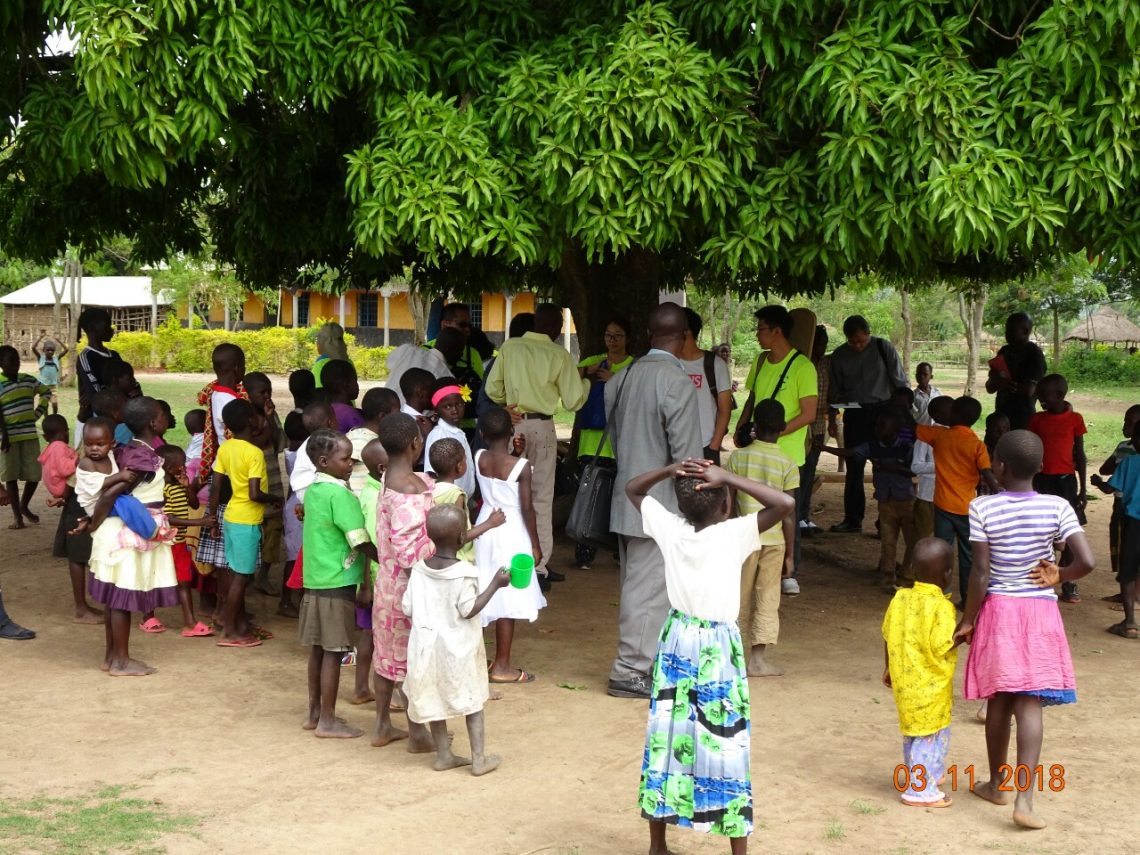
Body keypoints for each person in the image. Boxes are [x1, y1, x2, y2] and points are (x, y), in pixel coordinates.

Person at [628, 457, 794, 855]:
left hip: (677, 640)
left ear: (680, 504)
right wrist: (728, 477)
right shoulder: (733, 534)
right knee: (726, 740)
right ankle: (738, 848)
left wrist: (669, 470)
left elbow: (633, 489)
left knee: (667, 737)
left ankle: (657, 845)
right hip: (717, 648)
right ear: (725, 504)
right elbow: (785, 503)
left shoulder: (670, 528)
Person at [954, 430, 1094, 830]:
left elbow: (981, 572)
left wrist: (968, 619)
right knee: (1028, 702)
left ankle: (997, 784)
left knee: (1000, 698)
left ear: (998, 466)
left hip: (1000, 610)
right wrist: (1059, 575)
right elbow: (1087, 562)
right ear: (1041, 467)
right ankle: (1025, 801)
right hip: (1040, 613)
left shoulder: (982, 506)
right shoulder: (1058, 506)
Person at [606, 302, 703, 699]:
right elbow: (687, 458)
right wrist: (698, 510)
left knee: (637, 587)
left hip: (626, 495)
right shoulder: (675, 382)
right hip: (662, 505)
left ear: (649, 335)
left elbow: (617, 440)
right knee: (647, 592)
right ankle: (629, 670)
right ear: (685, 338)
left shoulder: (621, 377)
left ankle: (640, 663)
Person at [484, 303, 588, 582]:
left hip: (513, 424)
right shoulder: (559, 354)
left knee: (507, 493)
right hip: (542, 428)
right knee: (541, 497)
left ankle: (505, 559)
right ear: (555, 327)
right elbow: (574, 401)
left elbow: (493, 389)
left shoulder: (510, 347)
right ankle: (538, 567)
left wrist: (507, 404)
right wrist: (586, 383)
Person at [403, 504, 510, 775]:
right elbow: (469, 609)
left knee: (434, 699)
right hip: (458, 651)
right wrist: (495, 585)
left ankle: (444, 755)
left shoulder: (418, 570)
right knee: (472, 702)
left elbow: (408, 607)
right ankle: (479, 760)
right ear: (463, 537)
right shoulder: (465, 573)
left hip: (426, 650)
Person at [87, 397, 178, 676]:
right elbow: (112, 495)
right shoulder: (142, 458)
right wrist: (93, 523)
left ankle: (111, 656)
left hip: (120, 531)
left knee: (114, 598)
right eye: (163, 415)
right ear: (153, 423)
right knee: (122, 599)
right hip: (127, 535)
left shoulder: (131, 450)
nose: (166, 418)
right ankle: (122, 662)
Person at [297, 428, 379, 738]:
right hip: (338, 581)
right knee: (334, 651)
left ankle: (315, 713)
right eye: (346, 459)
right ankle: (328, 721)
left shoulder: (314, 491)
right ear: (323, 461)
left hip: (316, 579)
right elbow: (359, 539)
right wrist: (386, 558)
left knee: (318, 650)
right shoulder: (341, 495)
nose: (351, 464)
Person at [370, 412, 435, 753]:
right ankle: (418, 733)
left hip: (386, 584)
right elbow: (411, 554)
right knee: (414, 661)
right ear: (414, 444)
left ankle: (382, 724)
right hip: (409, 588)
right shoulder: (409, 489)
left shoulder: (388, 477)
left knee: (386, 658)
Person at [881, 538, 957, 808]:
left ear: (912, 568)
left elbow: (888, 634)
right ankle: (920, 790)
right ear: (948, 574)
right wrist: (962, 635)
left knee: (914, 730)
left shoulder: (900, 598)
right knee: (929, 733)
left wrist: (888, 667)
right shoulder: (942, 607)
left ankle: (928, 773)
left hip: (904, 680)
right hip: (930, 684)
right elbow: (941, 644)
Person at [727, 400, 798, 675]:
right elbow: (789, 514)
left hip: (743, 538)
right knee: (768, 596)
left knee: (738, 596)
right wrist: (790, 554)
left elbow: (727, 506)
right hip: (775, 540)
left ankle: (732, 658)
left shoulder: (737, 458)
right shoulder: (788, 463)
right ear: (783, 427)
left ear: (754, 426)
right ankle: (757, 661)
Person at [473, 407, 544, 683]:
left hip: (486, 524)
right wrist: (535, 544)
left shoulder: (479, 456)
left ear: (482, 434)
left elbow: (499, 477)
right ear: (512, 431)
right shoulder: (521, 467)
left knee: (483, 587)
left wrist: (516, 454)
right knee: (508, 595)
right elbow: (526, 508)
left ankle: (475, 659)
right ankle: (502, 665)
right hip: (512, 529)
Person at [210, 398, 282, 647]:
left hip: (230, 517)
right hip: (246, 521)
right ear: (252, 420)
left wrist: (212, 519)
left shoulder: (226, 448)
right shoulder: (254, 453)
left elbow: (216, 487)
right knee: (241, 578)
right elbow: (254, 494)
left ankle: (239, 625)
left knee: (235, 575)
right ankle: (230, 632)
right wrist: (274, 498)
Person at [827, 315, 907, 532]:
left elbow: (900, 382)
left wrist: (903, 415)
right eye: (852, 342)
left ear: (869, 333)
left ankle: (886, 523)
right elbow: (835, 391)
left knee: (886, 465)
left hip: (883, 413)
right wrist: (832, 416)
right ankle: (852, 520)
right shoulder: (839, 355)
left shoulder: (883, 347)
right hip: (855, 413)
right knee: (854, 467)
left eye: (861, 341)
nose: (858, 346)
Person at [916, 397, 1000, 604]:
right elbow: (987, 474)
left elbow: (913, 428)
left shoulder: (939, 435)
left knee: (941, 553)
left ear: (953, 414)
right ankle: (967, 597)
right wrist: (1000, 494)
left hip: (943, 506)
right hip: (966, 509)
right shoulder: (977, 445)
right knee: (968, 556)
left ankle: (940, 597)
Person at [821, 411, 917, 588]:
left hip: (907, 500)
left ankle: (908, 575)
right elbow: (850, 453)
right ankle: (888, 574)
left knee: (911, 541)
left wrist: (894, 468)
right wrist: (824, 448)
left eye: (882, 426)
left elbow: (915, 471)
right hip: (885, 501)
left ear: (896, 430)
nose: (877, 429)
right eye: (877, 426)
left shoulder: (907, 448)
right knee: (887, 540)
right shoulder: (873, 446)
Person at [573, 315, 633, 569]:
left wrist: (614, 380)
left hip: (620, 444)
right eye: (609, 335)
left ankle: (620, 553)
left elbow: (636, 397)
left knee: (619, 501)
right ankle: (584, 553)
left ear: (627, 338)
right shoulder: (592, 362)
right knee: (588, 498)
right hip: (591, 443)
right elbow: (567, 378)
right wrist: (587, 371)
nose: (613, 340)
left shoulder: (633, 366)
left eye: (618, 336)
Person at [1027, 374, 1088, 603]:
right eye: (1039, 395)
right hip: (1042, 480)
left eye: (1044, 395)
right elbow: (1031, 449)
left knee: (1070, 530)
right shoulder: (1037, 420)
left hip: (1066, 481)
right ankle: (1043, 576)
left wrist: (1082, 489)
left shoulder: (1075, 419)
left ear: (1060, 395)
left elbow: (1080, 455)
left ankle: (1069, 581)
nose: (1041, 399)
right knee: (1042, 530)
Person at [156, 444, 214, 638]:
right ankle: (150, 617)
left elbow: (194, 504)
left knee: (184, 582)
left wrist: (188, 487)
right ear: (168, 468)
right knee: (157, 579)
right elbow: (168, 519)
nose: (184, 468)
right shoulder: (164, 490)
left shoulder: (179, 485)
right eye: (180, 465)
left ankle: (189, 622)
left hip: (179, 542)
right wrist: (199, 522)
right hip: (166, 544)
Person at [1092, 421, 1140, 637]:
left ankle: (1129, 623)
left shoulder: (1130, 462)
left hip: (1133, 523)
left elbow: (1109, 488)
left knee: (1128, 571)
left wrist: (1097, 482)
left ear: (1135, 440)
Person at [350, 438, 389, 705]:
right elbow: (370, 546)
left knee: (370, 633)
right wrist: (366, 585)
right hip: (374, 579)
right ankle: (364, 688)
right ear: (383, 468)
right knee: (373, 635)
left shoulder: (373, 492)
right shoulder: (374, 497)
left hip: (372, 578)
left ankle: (362, 687)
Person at [244, 372, 286, 599]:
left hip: (272, 482)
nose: (267, 396)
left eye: (269, 391)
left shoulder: (271, 415)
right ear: (248, 394)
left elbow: (279, 444)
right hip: (252, 485)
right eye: (262, 392)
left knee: (273, 530)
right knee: (252, 533)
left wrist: (270, 419)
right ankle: (248, 576)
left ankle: (263, 576)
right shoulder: (244, 417)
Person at [429, 438, 504, 563]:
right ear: (459, 467)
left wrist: (472, 526)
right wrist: (489, 523)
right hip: (459, 558)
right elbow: (458, 539)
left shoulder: (431, 487)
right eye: (465, 459)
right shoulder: (455, 494)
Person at [0, 345, 49, 529]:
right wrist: (4, 434)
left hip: (29, 434)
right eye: (10, 361)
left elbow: (46, 392)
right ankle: (17, 517)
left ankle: (24, 506)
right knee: (10, 477)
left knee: (34, 474)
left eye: (17, 360)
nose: (15, 364)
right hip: (8, 438)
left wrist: (38, 413)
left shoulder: (28, 380)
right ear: (1, 363)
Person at [678, 307, 732, 464]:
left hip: (706, 445)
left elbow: (725, 409)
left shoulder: (715, 364)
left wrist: (713, 447)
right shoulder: (668, 363)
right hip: (673, 447)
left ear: (686, 332)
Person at [422, 304, 486, 432]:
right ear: (445, 324)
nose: (467, 330)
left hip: (466, 427)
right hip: (432, 426)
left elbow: (480, 390)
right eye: (462, 324)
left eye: (469, 326)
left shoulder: (473, 354)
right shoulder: (424, 352)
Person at [797, 326, 830, 545]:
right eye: (818, 344)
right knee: (799, 475)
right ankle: (797, 516)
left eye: (824, 344)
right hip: (802, 428)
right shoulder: (803, 364)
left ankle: (804, 516)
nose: (822, 348)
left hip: (818, 427)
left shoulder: (825, 365)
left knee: (809, 473)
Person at [986, 312, 1047, 431]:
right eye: (1006, 330)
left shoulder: (1034, 354)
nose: (1006, 333)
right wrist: (997, 382)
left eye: (1010, 330)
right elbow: (990, 387)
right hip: (1001, 415)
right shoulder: (1005, 351)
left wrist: (1001, 383)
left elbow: (1029, 390)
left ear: (1025, 331)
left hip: (1022, 417)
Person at [75, 307, 125, 445]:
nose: (111, 329)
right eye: (107, 324)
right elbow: (95, 393)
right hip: (93, 421)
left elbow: (127, 381)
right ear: (93, 327)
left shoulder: (114, 355)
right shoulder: (86, 357)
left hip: (118, 419)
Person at [424, 380, 476, 498]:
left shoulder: (458, 432)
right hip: (449, 499)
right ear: (436, 409)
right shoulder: (438, 435)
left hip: (462, 498)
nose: (455, 410)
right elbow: (432, 475)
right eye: (447, 406)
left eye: (459, 404)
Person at [912, 397, 951, 541]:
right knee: (921, 540)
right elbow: (916, 466)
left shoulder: (954, 435)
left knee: (944, 541)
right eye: (952, 410)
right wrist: (942, 465)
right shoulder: (925, 436)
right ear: (938, 415)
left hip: (948, 497)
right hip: (928, 496)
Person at [347, 387, 399, 496]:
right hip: (360, 499)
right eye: (397, 413)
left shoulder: (360, 434)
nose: (399, 417)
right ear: (382, 416)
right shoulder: (360, 438)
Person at [37, 414, 76, 504]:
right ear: (66, 432)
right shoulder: (59, 446)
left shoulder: (50, 448)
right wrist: (77, 462)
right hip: (63, 487)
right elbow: (64, 469)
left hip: (55, 488)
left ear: (45, 437)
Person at [321, 359, 365, 433]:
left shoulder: (325, 408)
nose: (357, 385)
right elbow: (366, 435)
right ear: (346, 384)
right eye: (355, 381)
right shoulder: (349, 412)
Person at [33, 334, 67, 415]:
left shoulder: (56, 358)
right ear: (44, 350)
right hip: (43, 387)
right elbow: (33, 348)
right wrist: (40, 338)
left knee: (55, 404)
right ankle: (46, 418)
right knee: (45, 405)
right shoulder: (41, 358)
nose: (50, 352)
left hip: (53, 387)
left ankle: (54, 416)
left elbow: (66, 349)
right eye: (48, 350)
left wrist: (58, 340)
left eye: (52, 350)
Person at [312, 321, 350, 389]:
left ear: (327, 342)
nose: (317, 342)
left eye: (319, 338)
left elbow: (318, 390)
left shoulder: (321, 364)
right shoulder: (349, 362)